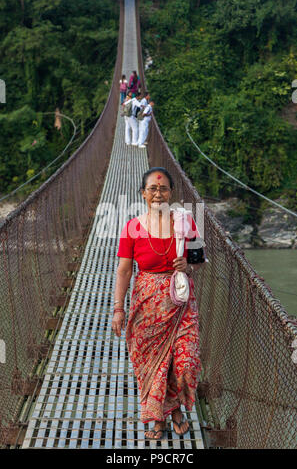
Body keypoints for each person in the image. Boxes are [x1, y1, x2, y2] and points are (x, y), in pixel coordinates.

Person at [113, 167, 204, 440]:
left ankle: (173, 407)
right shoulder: (132, 227)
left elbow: (199, 259)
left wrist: (188, 265)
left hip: (181, 302)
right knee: (153, 363)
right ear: (143, 194)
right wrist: (119, 309)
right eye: (152, 189)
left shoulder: (186, 221)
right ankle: (163, 416)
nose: (158, 193)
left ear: (171, 193)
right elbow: (124, 270)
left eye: (163, 189)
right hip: (146, 306)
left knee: (185, 362)